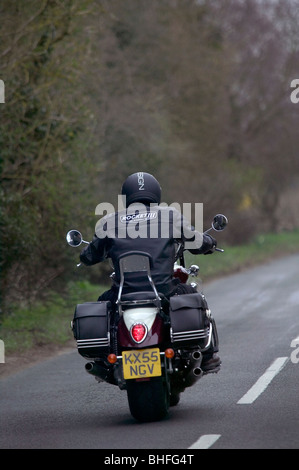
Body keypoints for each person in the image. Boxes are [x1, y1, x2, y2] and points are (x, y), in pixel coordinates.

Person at [80, 172, 221, 373]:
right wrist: (210, 243)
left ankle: (104, 360)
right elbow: (197, 241)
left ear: (126, 195)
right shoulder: (170, 215)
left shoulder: (110, 221)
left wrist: (87, 255)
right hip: (165, 290)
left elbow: (89, 255)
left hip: (124, 294)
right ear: (156, 193)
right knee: (196, 298)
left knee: (103, 304)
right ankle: (207, 357)